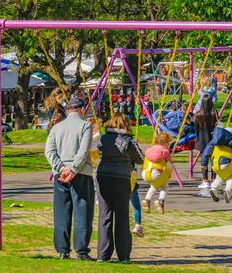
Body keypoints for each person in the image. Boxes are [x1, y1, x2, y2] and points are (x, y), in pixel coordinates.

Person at [44, 97, 95, 261]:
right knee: (82, 212)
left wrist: (60, 168)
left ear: (68, 110)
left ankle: (62, 250)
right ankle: (81, 250)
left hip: (60, 174)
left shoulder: (56, 128)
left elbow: (49, 152)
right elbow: (84, 150)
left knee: (61, 212)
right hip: (80, 173)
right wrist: (73, 169)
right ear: (82, 110)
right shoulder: (85, 126)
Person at [96, 113, 144, 262]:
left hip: (103, 176)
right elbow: (140, 159)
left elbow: (99, 152)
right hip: (121, 178)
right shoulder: (128, 141)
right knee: (122, 217)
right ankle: (123, 255)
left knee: (105, 216)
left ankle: (103, 254)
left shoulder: (102, 139)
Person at [201, 127, 232, 203]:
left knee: (219, 177)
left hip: (215, 165)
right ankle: (228, 190)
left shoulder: (213, 142)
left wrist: (204, 163)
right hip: (227, 164)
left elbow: (206, 152)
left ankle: (214, 188)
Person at [142, 132, 174, 214]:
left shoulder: (149, 150)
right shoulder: (165, 152)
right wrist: (169, 174)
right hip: (156, 173)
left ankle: (147, 200)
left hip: (145, 173)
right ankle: (161, 201)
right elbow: (169, 165)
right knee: (165, 186)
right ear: (166, 143)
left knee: (154, 185)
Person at [194, 93, 218, 188]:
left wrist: (198, 137)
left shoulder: (198, 115)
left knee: (204, 161)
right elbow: (217, 125)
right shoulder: (214, 113)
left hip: (202, 141)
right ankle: (213, 181)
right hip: (212, 140)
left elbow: (196, 129)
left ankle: (205, 181)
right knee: (213, 161)